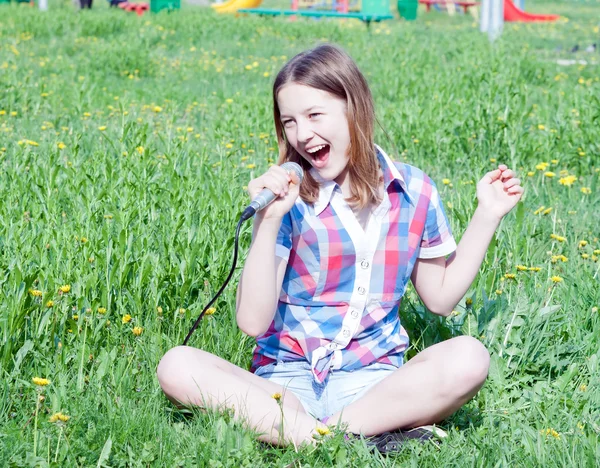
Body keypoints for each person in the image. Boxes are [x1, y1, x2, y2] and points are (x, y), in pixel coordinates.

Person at [157, 43, 524, 450]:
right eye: (290, 121)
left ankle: (316, 434)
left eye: (315, 115)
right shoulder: (288, 201)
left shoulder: (414, 190)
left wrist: (487, 215)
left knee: (470, 357)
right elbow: (252, 323)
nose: (302, 134)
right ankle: (343, 440)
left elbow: (440, 298)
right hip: (284, 386)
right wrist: (269, 221)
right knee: (176, 365)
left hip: (374, 389)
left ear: (355, 108)